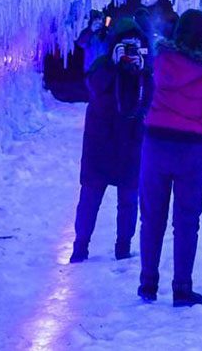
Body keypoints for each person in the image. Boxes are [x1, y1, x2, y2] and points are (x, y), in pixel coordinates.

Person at [138, 9, 202, 307]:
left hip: (155, 142)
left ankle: (147, 282)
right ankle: (182, 287)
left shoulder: (162, 60)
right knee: (187, 219)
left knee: (152, 216)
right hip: (191, 149)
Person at [70, 17, 152, 263]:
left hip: (131, 145)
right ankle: (80, 247)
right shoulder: (101, 67)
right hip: (100, 147)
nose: (130, 48)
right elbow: (95, 90)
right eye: (125, 43)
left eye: (134, 43)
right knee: (90, 199)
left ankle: (123, 248)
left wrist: (140, 71)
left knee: (128, 201)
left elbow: (149, 100)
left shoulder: (145, 71)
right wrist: (113, 67)